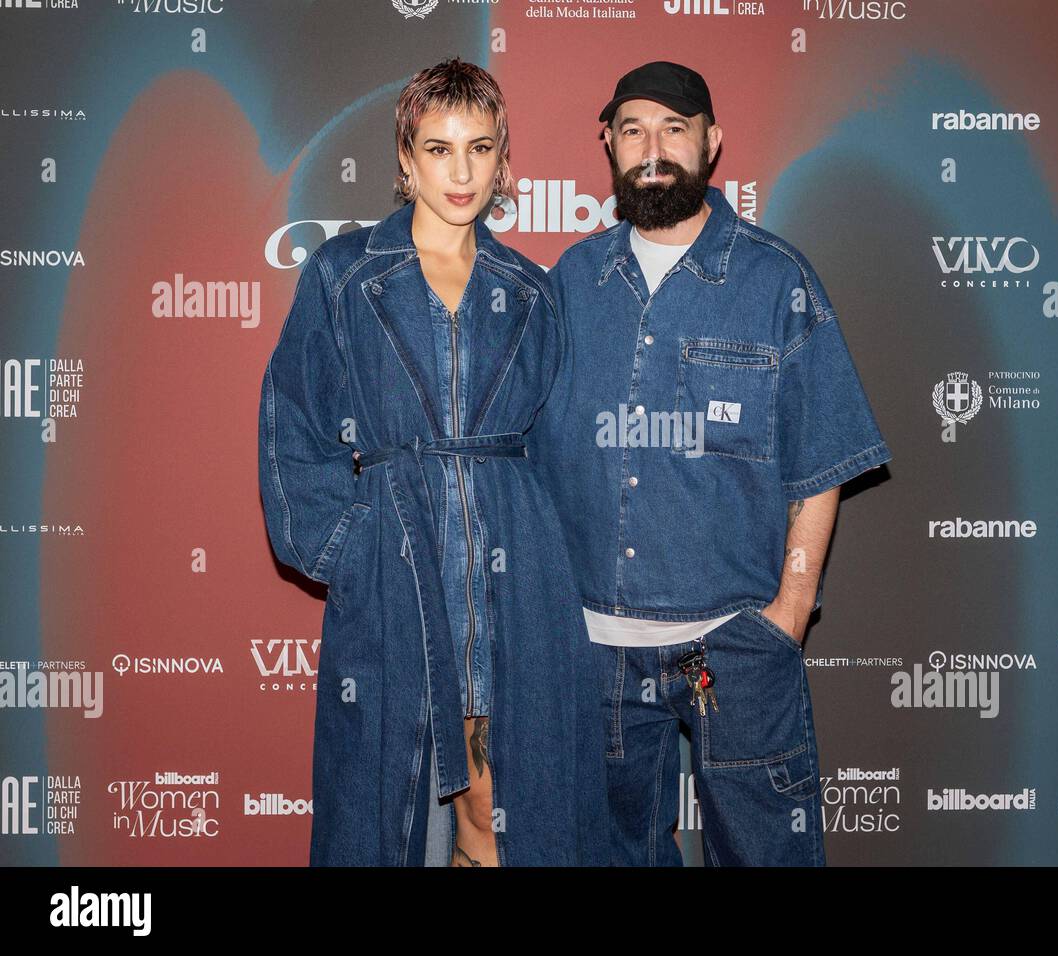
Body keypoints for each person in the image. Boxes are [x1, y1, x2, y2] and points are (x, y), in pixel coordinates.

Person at [531, 61, 893, 866]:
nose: (652, 147)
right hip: (597, 655)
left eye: (674, 128)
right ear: (610, 146)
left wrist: (790, 611)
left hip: (737, 647)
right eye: (632, 130)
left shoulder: (776, 280)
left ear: (712, 141)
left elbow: (823, 459)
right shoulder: (572, 283)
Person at [257, 58, 609, 867]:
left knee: (501, 816)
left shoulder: (528, 289)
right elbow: (293, 428)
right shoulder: (345, 277)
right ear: (406, 160)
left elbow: (559, 447)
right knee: (392, 819)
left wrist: (556, 568)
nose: (460, 171)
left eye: (479, 148)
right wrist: (352, 551)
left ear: (503, 160)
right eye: (439, 148)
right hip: (398, 576)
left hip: (514, 585)